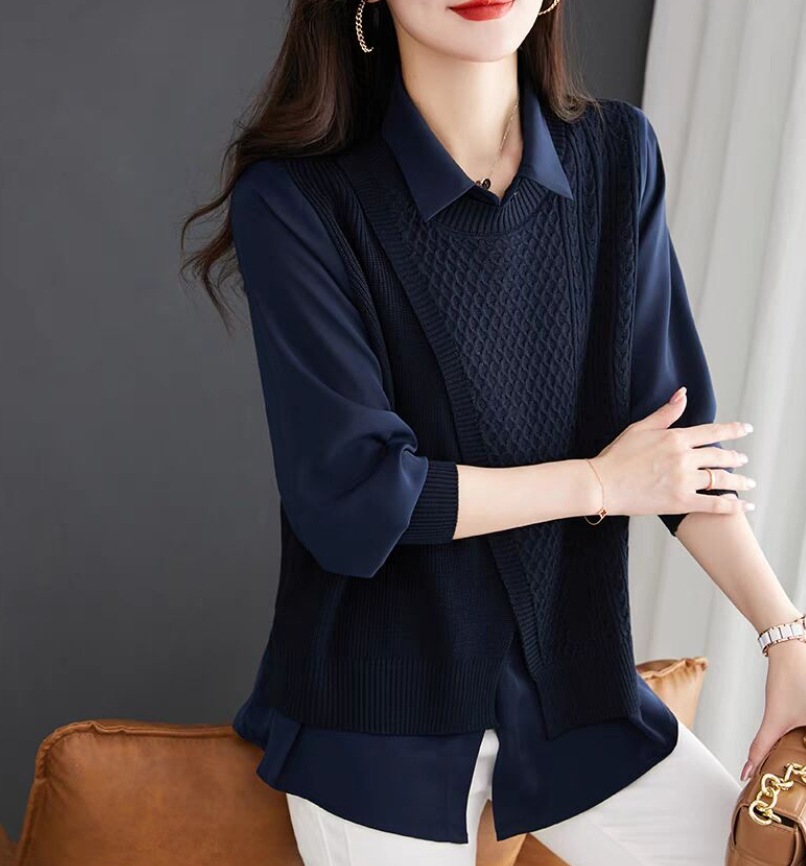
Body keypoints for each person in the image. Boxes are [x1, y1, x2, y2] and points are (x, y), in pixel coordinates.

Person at [180, 1, 806, 863]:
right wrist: (599, 483)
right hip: (378, 729)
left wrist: (785, 635)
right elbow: (357, 496)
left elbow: (675, 447)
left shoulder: (617, 156)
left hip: (576, 700)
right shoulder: (297, 199)